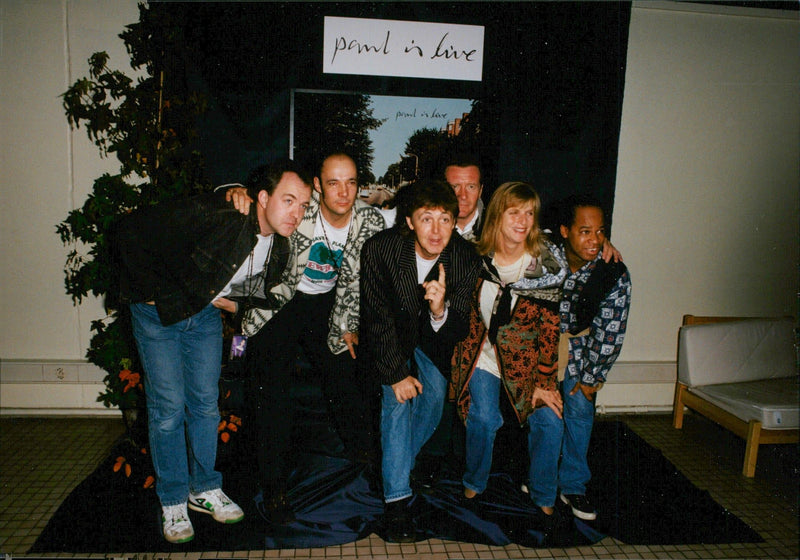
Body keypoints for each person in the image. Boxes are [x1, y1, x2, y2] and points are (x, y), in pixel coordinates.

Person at [113, 160, 312, 544]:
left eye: (303, 205)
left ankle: (204, 488)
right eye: (288, 200)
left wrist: (233, 305)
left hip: (203, 315)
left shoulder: (281, 248)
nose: (297, 213)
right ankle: (173, 499)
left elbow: (256, 294)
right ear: (263, 197)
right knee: (169, 408)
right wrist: (145, 291)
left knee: (205, 404)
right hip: (157, 315)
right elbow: (128, 230)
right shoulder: (223, 214)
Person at [231, 152, 385, 523]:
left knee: (346, 380)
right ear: (318, 185)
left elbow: (362, 279)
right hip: (281, 301)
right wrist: (233, 190)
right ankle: (274, 487)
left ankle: (366, 462)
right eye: (333, 183)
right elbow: (261, 200)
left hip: (330, 307)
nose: (343, 192)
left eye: (351, 182)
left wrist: (349, 324)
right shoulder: (300, 206)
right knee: (272, 392)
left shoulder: (370, 220)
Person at [360, 179, 481, 542]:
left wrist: (440, 308)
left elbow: (458, 329)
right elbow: (377, 318)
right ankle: (397, 502)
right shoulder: (380, 248)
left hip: (431, 338)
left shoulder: (464, 257)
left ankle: (394, 463)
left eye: (445, 219)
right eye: (426, 219)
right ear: (410, 221)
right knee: (397, 401)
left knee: (435, 395)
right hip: (390, 336)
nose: (436, 230)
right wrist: (397, 374)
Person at [450, 182, 567, 530]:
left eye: (529, 213)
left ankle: (544, 495)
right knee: (484, 418)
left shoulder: (546, 268)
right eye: (514, 212)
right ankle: (474, 482)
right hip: (484, 356)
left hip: (526, 363)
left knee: (550, 421)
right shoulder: (476, 258)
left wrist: (545, 382)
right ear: (497, 215)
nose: (523, 220)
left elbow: (550, 330)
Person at [555, 194, 631, 521]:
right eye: (585, 231)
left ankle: (573, 485)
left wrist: (592, 377)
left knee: (579, 409)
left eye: (601, 232)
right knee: (540, 416)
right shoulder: (544, 256)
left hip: (581, 350)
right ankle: (539, 475)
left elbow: (611, 329)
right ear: (564, 231)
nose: (595, 240)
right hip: (541, 347)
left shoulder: (612, 272)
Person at [444, 154, 485, 242]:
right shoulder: (428, 231)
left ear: (480, 191)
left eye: (471, 187)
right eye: (455, 187)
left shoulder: (497, 229)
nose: (463, 196)